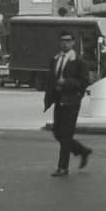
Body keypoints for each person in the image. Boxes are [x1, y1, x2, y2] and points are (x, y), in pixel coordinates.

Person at [45, 32, 93, 176]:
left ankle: (63, 167)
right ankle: (83, 151)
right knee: (57, 133)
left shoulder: (78, 61)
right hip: (59, 101)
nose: (64, 43)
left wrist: (66, 82)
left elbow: (84, 82)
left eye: (68, 41)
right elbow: (51, 78)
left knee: (65, 135)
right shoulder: (56, 59)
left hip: (71, 101)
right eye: (62, 41)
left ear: (73, 43)